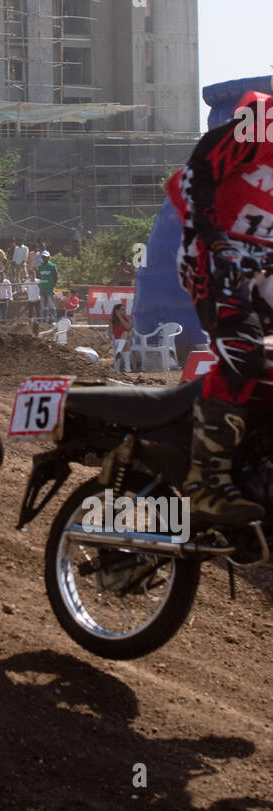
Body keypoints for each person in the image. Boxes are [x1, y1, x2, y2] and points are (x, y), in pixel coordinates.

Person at [165, 90, 273, 526]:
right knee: (243, 353)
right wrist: (214, 239)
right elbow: (197, 173)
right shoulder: (261, 121)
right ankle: (204, 479)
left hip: (267, 264)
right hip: (216, 257)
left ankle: (255, 458)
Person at [109, 301, 132, 375]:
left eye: (124, 309)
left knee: (126, 334)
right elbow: (110, 333)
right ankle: (127, 368)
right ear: (116, 311)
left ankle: (118, 352)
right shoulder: (112, 321)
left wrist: (120, 317)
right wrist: (111, 338)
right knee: (126, 342)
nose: (124, 311)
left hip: (124, 341)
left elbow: (127, 327)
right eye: (122, 309)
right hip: (116, 341)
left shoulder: (127, 319)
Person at [37, 249, 58, 324]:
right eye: (43, 257)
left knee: (51, 305)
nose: (44, 258)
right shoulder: (40, 267)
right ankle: (43, 320)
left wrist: (53, 285)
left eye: (45, 257)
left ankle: (53, 320)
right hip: (42, 288)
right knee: (43, 306)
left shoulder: (52, 266)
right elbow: (38, 276)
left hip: (49, 288)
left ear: (48, 257)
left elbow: (56, 276)